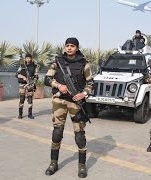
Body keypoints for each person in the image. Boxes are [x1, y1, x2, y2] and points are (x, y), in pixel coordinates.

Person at [43, 37, 93, 178]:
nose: (69, 48)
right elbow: (46, 79)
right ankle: (53, 163)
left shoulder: (84, 63)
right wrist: (59, 86)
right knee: (57, 132)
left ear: (77, 47)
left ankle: (82, 166)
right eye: (67, 45)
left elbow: (91, 83)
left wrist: (83, 94)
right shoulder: (57, 62)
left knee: (79, 135)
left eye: (72, 46)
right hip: (59, 101)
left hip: (76, 103)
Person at [16, 53, 38, 119]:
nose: (28, 59)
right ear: (25, 59)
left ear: (31, 59)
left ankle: (30, 114)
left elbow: (36, 76)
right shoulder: (22, 66)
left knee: (30, 99)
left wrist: (33, 82)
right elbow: (16, 74)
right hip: (22, 84)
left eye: (29, 58)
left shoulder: (34, 66)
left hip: (30, 84)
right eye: (27, 58)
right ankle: (20, 114)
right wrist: (23, 77)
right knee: (22, 98)